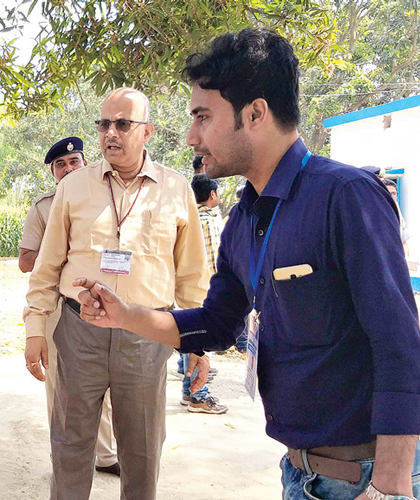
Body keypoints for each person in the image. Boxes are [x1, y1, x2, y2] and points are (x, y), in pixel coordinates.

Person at [73, 28, 420, 500]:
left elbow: (399, 341)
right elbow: (217, 324)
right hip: (300, 473)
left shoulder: (345, 197)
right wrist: (124, 315)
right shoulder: (244, 218)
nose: (192, 135)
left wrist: (390, 486)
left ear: (255, 113)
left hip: (366, 476)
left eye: (202, 116)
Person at [24, 87, 209, 500]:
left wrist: (198, 343)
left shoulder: (176, 190)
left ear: (147, 132)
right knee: (70, 448)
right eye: (104, 124)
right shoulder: (74, 187)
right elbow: (47, 265)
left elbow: (193, 277)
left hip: (147, 337)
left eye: (122, 124)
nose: (111, 133)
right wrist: (35, 326)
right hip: (78, 333)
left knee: (142, 454)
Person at [19, 137, 119, 476]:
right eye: (60, 165)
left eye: (73, 161)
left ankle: (105, 455)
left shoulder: (105, 197)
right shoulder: (43, 207)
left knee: (103, 385)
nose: (67, 168)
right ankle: (62, 457)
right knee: (61, 388)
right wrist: (58, 251)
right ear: (53, 172)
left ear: (84, 162)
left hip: (102, 303)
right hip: (59, 305)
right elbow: (25, 260)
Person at [175, 174, 228, 414]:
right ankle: (198, 395)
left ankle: (189, 390)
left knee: (190, 336)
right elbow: (214, 259)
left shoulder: (188, 217)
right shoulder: (207, 220)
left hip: (187, 287)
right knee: (198, 341)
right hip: (205, 288)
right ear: (212, 195)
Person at [382, 178, 410, 257]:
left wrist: (406, 262)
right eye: (387, 193)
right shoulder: (373, 212)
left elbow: (403, 242)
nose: (391, 197)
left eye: (393, 194)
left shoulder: (398, 212)